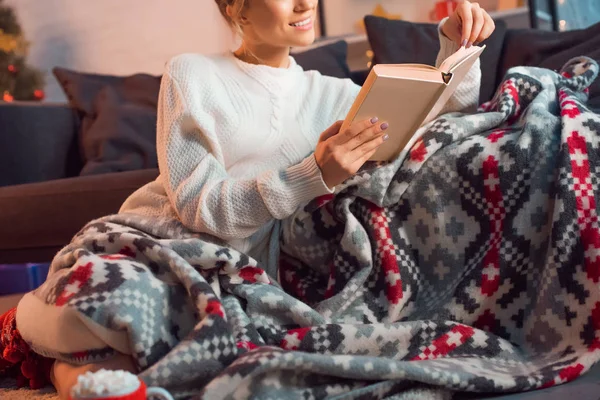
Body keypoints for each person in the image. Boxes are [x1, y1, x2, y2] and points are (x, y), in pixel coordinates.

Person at [43, 0, 495, 398]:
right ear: (237, 8)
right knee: (100, 306)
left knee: (170, 336)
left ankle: (90, 374)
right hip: (161, 237)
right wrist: (313, 174)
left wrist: (457, 53)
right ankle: (68, 369)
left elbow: (435, 139)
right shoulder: (192, 73)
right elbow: (197, 204)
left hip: (244, 274)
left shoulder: (337, 95)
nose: (305, 4)